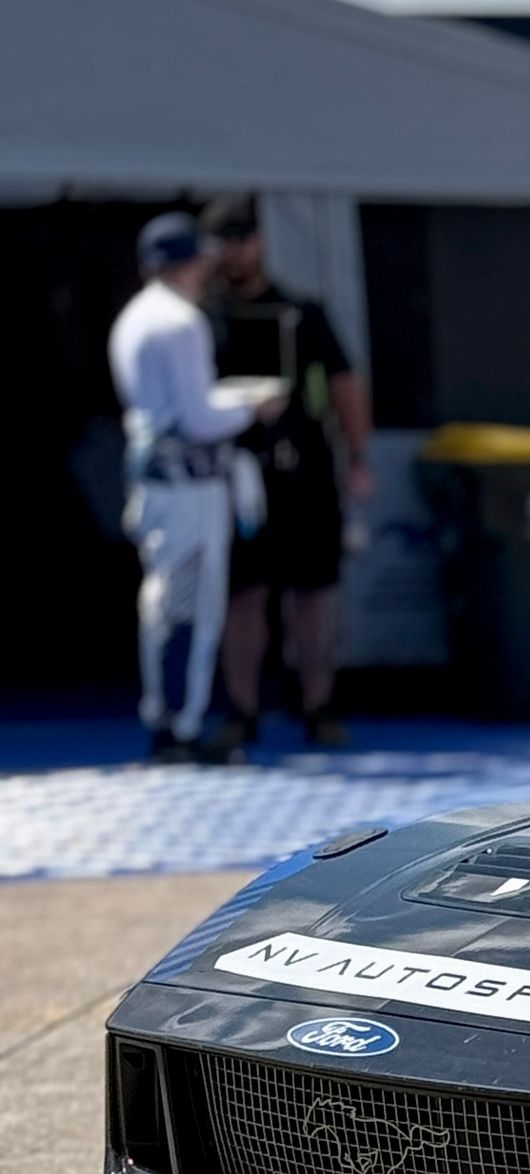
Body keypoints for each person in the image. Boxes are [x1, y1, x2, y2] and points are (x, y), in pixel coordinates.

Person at [107, 213, 275, 761]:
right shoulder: (180, 321)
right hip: (188, 487)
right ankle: (180, 724)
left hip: (159, 483)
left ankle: (170, 718)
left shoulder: (135, 316)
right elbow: (200, 419)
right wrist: (252, 405)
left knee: (167, 601)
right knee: (189, 607)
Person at [204, 197, 370, 747]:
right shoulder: (204, 320)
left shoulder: (303, 313)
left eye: (242, 239)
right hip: (235, 477)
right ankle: (242, 710)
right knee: (242, 596)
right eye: (223, 241)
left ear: (260, 242)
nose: (235, 252)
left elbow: (345, 386)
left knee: (314, 595)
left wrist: (358, 458)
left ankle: (318, 704)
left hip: (306, 474)